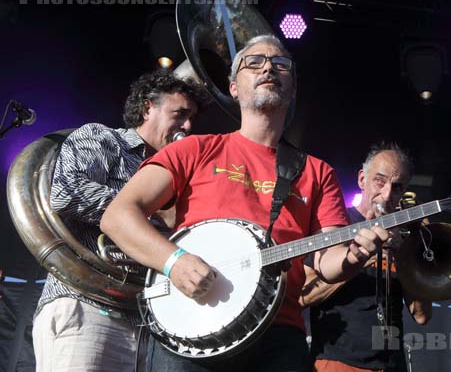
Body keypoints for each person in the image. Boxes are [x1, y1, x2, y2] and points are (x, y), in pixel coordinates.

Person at [99, 34, 390, 372]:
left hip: (278, 335)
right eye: (254, 62)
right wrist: (174, 262)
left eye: (281, 65)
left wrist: (356, 255)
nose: (268, 67)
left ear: (293, 89)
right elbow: (118, 216)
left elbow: (328, 262)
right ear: (234, 87)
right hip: (191, 326)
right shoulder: (194, 149)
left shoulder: (316, 170)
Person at [32, 69, 206, 372]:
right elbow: (66, 192)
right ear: (147, 108)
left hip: (148, 322)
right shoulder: (103, 138)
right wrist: (149, 217)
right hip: (86, 307)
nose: (187, 126)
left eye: (192, 117)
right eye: (179, 114)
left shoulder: (178, 175)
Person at [301, 143, 433, 372]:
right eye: (380, 181)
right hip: (338, 361)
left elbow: (421, 316)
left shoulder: (403, 238)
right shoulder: (335, 225)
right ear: (362, 180)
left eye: (398, 187)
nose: (387, 194)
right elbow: (304, 295)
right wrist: (364, 257)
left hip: (392, 364)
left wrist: (406, 258)